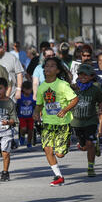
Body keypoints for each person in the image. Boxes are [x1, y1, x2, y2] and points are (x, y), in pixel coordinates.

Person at [33, 57, 79, 187]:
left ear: (58, 70)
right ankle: (59, 176)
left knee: (60, 154)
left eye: (52, 66)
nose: (48, 68)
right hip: (48, 123)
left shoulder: (63, 85)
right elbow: (39, 104)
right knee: (47, 149)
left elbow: (75, 99)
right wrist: (36, 112)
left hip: (62, 123)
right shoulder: (42, 87)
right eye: (46, 66)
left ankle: (67, 142)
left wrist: (65, 110)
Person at [71, 64, 102, 177]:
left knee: (89, 143)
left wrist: (100, 109)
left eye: (85, 74)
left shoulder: (96, 88)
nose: (83, 76)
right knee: (84, 146)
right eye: (80, 74)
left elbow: (100, 100)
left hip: (91, 120)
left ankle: (90, 167)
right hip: (76, 121)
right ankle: (95, 145)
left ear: (91, 76)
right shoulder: (74, 88)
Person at [17, 81, 36, 148]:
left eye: (30, 89)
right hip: (22, 116)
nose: (28, 91)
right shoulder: (20, 97)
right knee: (24, 128)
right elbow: (17, 105)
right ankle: (22, 136)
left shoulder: (33, 97)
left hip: (30, 116)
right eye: (26, 89)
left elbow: (35, 106)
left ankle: (29, 142)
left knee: (31, 130)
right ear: (23, 89)